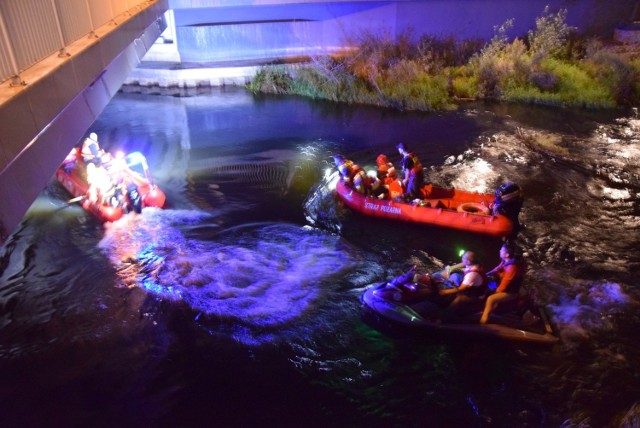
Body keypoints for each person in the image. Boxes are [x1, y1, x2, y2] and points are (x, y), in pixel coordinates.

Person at [479, 243, 526, 324]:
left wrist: (496, 292)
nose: (499, 251)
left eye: (502, 250)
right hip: (505, 289)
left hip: (511, 292)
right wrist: (485, 275)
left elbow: (505, 283)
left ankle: (482, 322)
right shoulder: (505, 262)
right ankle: (485, 314)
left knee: (491, 299)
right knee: (490, 294)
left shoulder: (512, 267)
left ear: (507, 254)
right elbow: (496, 269)